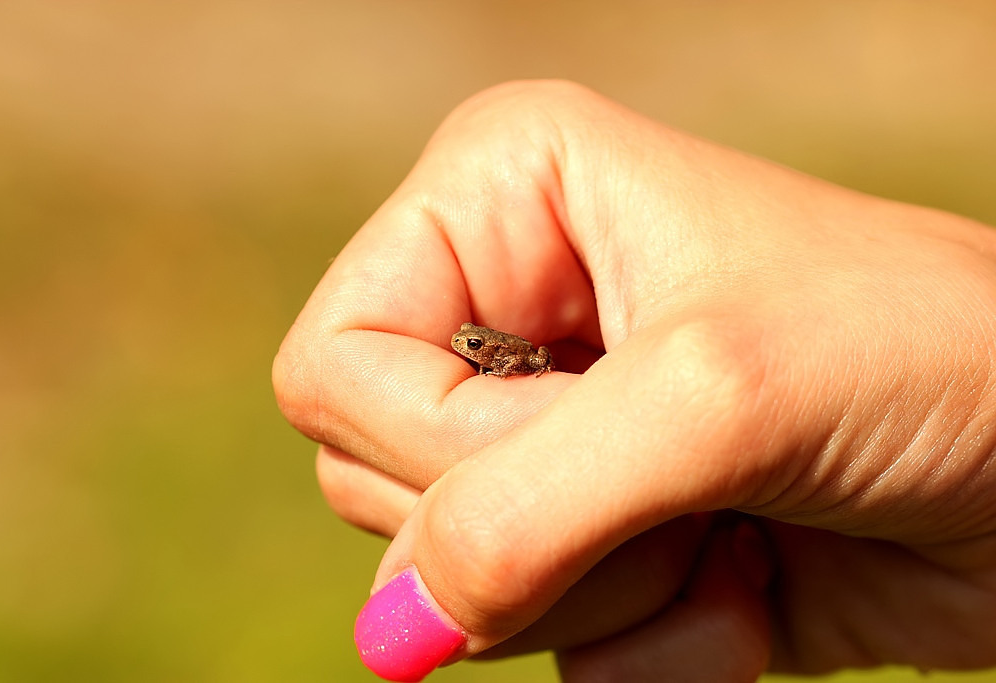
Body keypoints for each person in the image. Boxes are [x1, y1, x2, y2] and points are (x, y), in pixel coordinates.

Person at [273, 80, 996, 682]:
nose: (462, 346)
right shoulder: (480, 353)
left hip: (544, 377)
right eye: (462, 345)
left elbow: (523, 362)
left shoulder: (503, 349)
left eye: (467, 341)